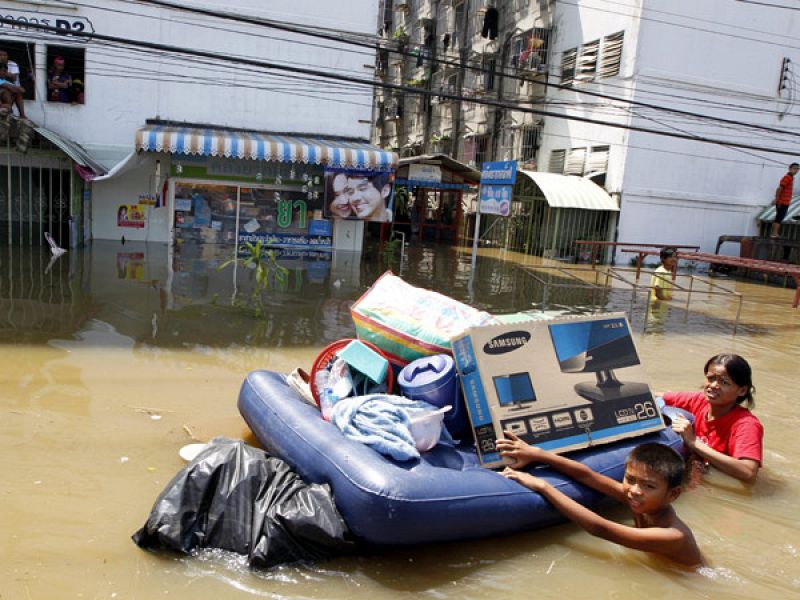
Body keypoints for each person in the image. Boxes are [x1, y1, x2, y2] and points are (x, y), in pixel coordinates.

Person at [498, 435, 703, 567]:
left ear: (672, 495)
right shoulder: (642, 501)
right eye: (630, 479)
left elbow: (600, 528)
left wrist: (542, 486)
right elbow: (588, 476)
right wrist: (538, 454)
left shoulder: (673, 535)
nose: (634, 490)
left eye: (648, 486)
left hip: (692, 580)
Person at [660, 353, 762, 484]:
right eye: (710, 378)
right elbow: (657, 396)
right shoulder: (699, 401)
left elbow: (748, 472)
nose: (713, 385)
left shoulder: (746, 425)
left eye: (724, 382)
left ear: (742, 390)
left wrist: (694, 442)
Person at [770, 162, 799, 239]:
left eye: (797, 169)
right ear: (790, 168)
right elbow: (779, 188)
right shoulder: (787, 177)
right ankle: (774, 234)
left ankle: (774, 233)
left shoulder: (791, 177)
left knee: (779, 217)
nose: (796, 170)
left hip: (784, 201)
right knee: (779, 217)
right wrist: (776, 199)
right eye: (794, 168)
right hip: (782, 201)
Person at [0, 49, 27, 119]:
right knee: (5, 91)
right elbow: (10, 87)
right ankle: (9, 110)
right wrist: (16, 89)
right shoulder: (2, 81)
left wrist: (16, 89)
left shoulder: (5, 80)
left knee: (18, 94)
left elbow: (22, 90)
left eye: (5, 71)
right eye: (2, 71)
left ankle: (22, 115)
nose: (3, 73)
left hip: (4, 103)